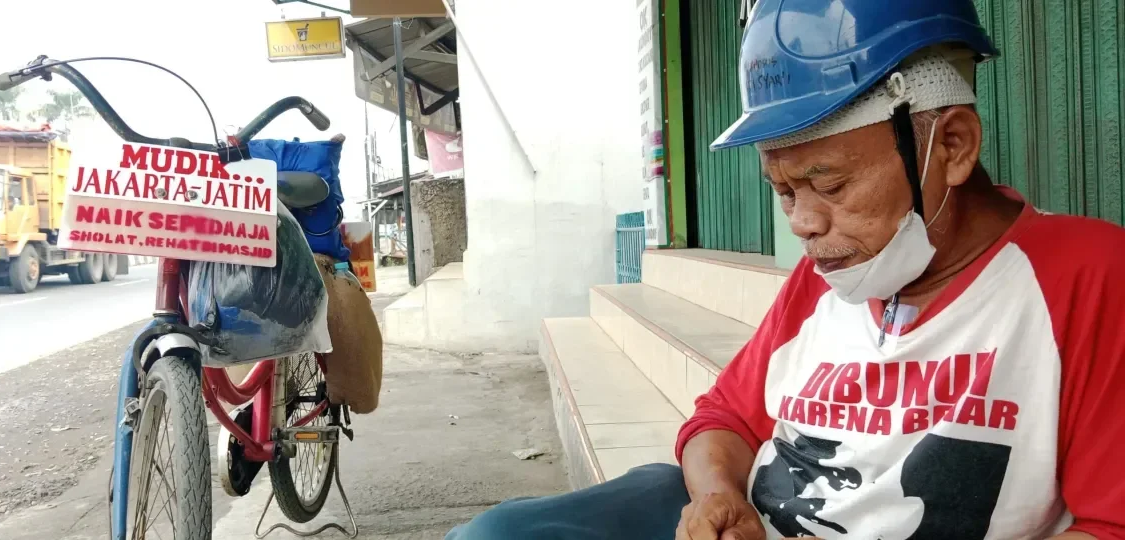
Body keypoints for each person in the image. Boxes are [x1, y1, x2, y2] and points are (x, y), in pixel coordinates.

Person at [445, 1, 1125, 539]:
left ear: (951, 145)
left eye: (828, 185)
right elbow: (725, 419)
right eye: (783, 192)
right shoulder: (838, 274)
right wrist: (718, 498)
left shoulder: (1086, 277)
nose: (803, 223)